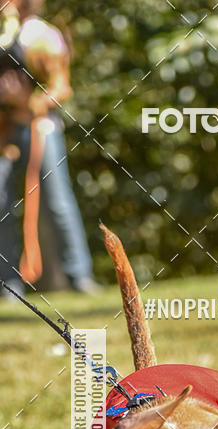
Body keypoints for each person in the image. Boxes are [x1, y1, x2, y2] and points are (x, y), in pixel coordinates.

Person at [0, 0, 96, 297]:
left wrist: (27, 103)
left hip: (41, 127)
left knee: (57, 200)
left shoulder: (43, 35)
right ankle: (8, 284)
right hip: (3, 129)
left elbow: (61, 87)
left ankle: (80, 276)